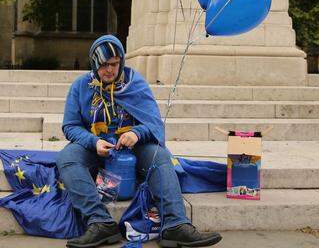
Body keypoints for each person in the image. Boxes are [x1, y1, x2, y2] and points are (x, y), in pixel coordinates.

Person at [56, 35, 222, 248]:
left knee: (160, 156)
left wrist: (137, 133)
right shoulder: (80, 86)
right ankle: (100, 223)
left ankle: (175, 225)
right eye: (104, 64)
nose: (110, 70)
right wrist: (92, 141)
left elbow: (154, 123)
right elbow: (70, 126)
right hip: (95, 147)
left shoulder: (135, 82)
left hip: (135, 149)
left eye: (114, 64)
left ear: (121, 62)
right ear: (95, 63)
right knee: (67, 158)